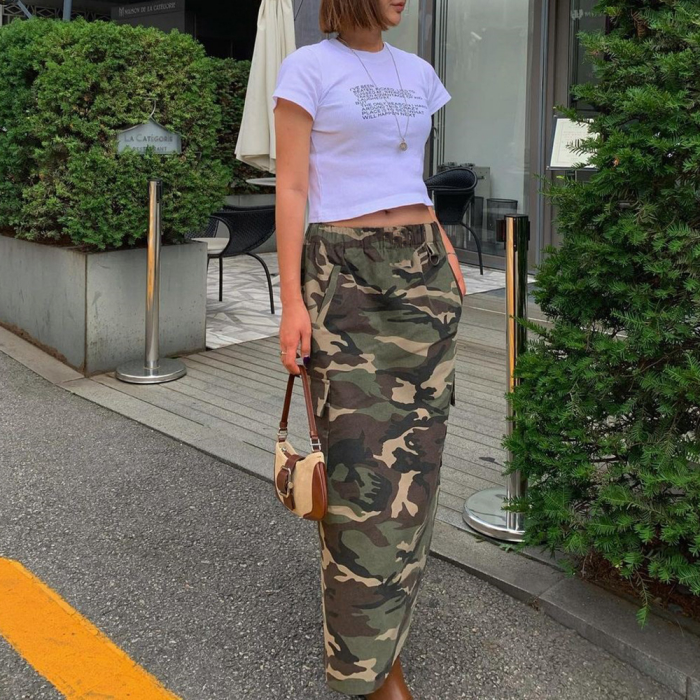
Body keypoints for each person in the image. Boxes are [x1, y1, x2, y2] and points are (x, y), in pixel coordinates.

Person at [272, 0, 466, 697]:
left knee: (416, 475)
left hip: (424, 274)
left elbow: (407, 170)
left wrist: (444, 251)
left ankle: (386, 651)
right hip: (344, 276)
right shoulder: (308, 68)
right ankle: (368, 672)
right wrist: (293, 302)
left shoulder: (419, 71)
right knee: (357, 480)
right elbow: (292, 185)